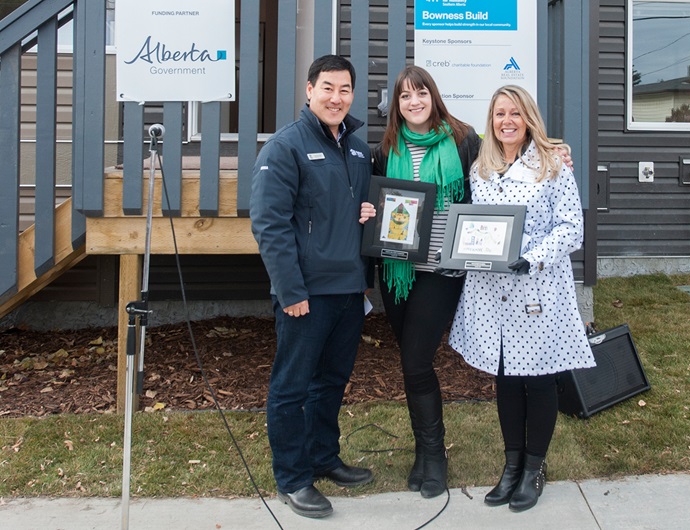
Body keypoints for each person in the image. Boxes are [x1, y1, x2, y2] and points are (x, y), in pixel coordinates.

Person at [359, 68, 572, 499]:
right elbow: (374, 199)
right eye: (404, 96)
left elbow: (508, 163)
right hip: (399, 274)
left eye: (421, 92)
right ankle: (426, 453)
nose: (414, 101)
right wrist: (367, 212)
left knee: (419, 360)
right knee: (411, 363)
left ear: (434, 96)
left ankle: (436, 456)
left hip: (445, 271)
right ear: (396, 105)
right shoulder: (384, 149)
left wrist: (554, 150)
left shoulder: (463, 140)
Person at [448, 85, 596, 513]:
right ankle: (511, 465)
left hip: (538, 286)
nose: (506, 121)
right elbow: (477, 225)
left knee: (539, 375)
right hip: (492, 291)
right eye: (499, 114)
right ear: (491, 121)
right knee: (506, 376)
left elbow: (571, 228)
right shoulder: (482, 168)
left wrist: (531, 259)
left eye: (515, 113)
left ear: (528, 118)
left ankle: (534, 468)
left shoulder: (551, 165)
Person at [250, 54, 373, 519]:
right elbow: (269, 223)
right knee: (291, 387)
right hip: (305, 294)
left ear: (352, 95)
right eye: (327, 88)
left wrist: (370, 214)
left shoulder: (359, 150)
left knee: (332, 382)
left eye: (344, 89)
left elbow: (363, 209)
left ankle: (323, 458)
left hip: (349, 290)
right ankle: (293, 478)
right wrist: (290, 291)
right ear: (308, 90)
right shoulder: (286, 147)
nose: (336, 97)